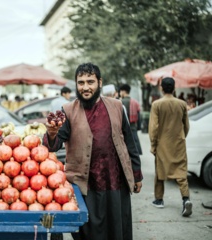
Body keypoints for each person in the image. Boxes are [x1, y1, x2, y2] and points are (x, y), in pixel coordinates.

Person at [43, 62, 143, 240]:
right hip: (86, 186)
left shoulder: (117, 107)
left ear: (100, 82)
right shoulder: (68, 110)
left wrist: (137, 175)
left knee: (117, 230)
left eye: (90, 82)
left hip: (115, 183)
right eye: (81, 83)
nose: (85, 87)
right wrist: (51, 134)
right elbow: (54, 145)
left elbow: (129, 142)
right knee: (89, 233)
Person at [149, 77, 192, 217]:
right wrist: (181, 137)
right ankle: (186, 199)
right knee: (181, 173)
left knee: (160, 171)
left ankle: (159, 199)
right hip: (178, 143)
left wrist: (153, 145)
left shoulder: (156, 104)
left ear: (161, 88)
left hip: (162, 143)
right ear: (174, 88)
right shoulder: (182, 104)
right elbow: (186, 126)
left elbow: (154, 128)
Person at [119, 84, 143, 155]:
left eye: (120, 91)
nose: (120, 93)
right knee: (134, 141)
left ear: (123, 91)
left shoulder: (119, 102)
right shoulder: (135, 102)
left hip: (122, 126)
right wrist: (138, 127)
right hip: (132, 126)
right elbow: (138, 116)